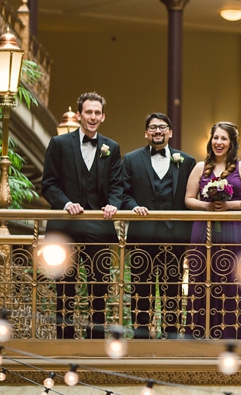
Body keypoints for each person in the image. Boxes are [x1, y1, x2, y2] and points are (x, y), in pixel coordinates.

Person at [41, 92, 123, 339]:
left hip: (99, 228)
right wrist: (65, 203)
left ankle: (95, 342)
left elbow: (117, 186)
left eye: (97, 113)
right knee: (64, 289)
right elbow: (48, 184)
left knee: (99, 289)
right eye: (88, 112)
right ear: (79, 115)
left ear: (103, 116)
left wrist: (113, 205)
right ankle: (64, 341)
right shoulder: (59, 144)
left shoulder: (112, 147)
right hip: (65, 228)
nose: (93, 117)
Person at [114, 113, 196, 338]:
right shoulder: (131, 159)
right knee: (141, 290)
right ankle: (140, 336)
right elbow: (123, 193)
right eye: (152, 127)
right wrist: (133, 207)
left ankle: (170, 337)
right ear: (146, 133)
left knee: (173, 290)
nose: (157, 131)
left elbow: (191, 197)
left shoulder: (187, 161)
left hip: (175, 235)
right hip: (142, 234)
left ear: (170, 132)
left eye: (162, 127)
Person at [184, 122, 241, 339]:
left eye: (224, 139)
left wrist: (230, 206)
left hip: (233, 228)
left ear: (232, 143)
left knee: (233, 277)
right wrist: (207, 206)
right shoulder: (200, 167)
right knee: (202, 277)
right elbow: (188, 199)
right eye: (216, 138)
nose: (219, 142)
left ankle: (232, 333)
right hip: (203, 228)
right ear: (210, 140)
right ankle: (199, 332)